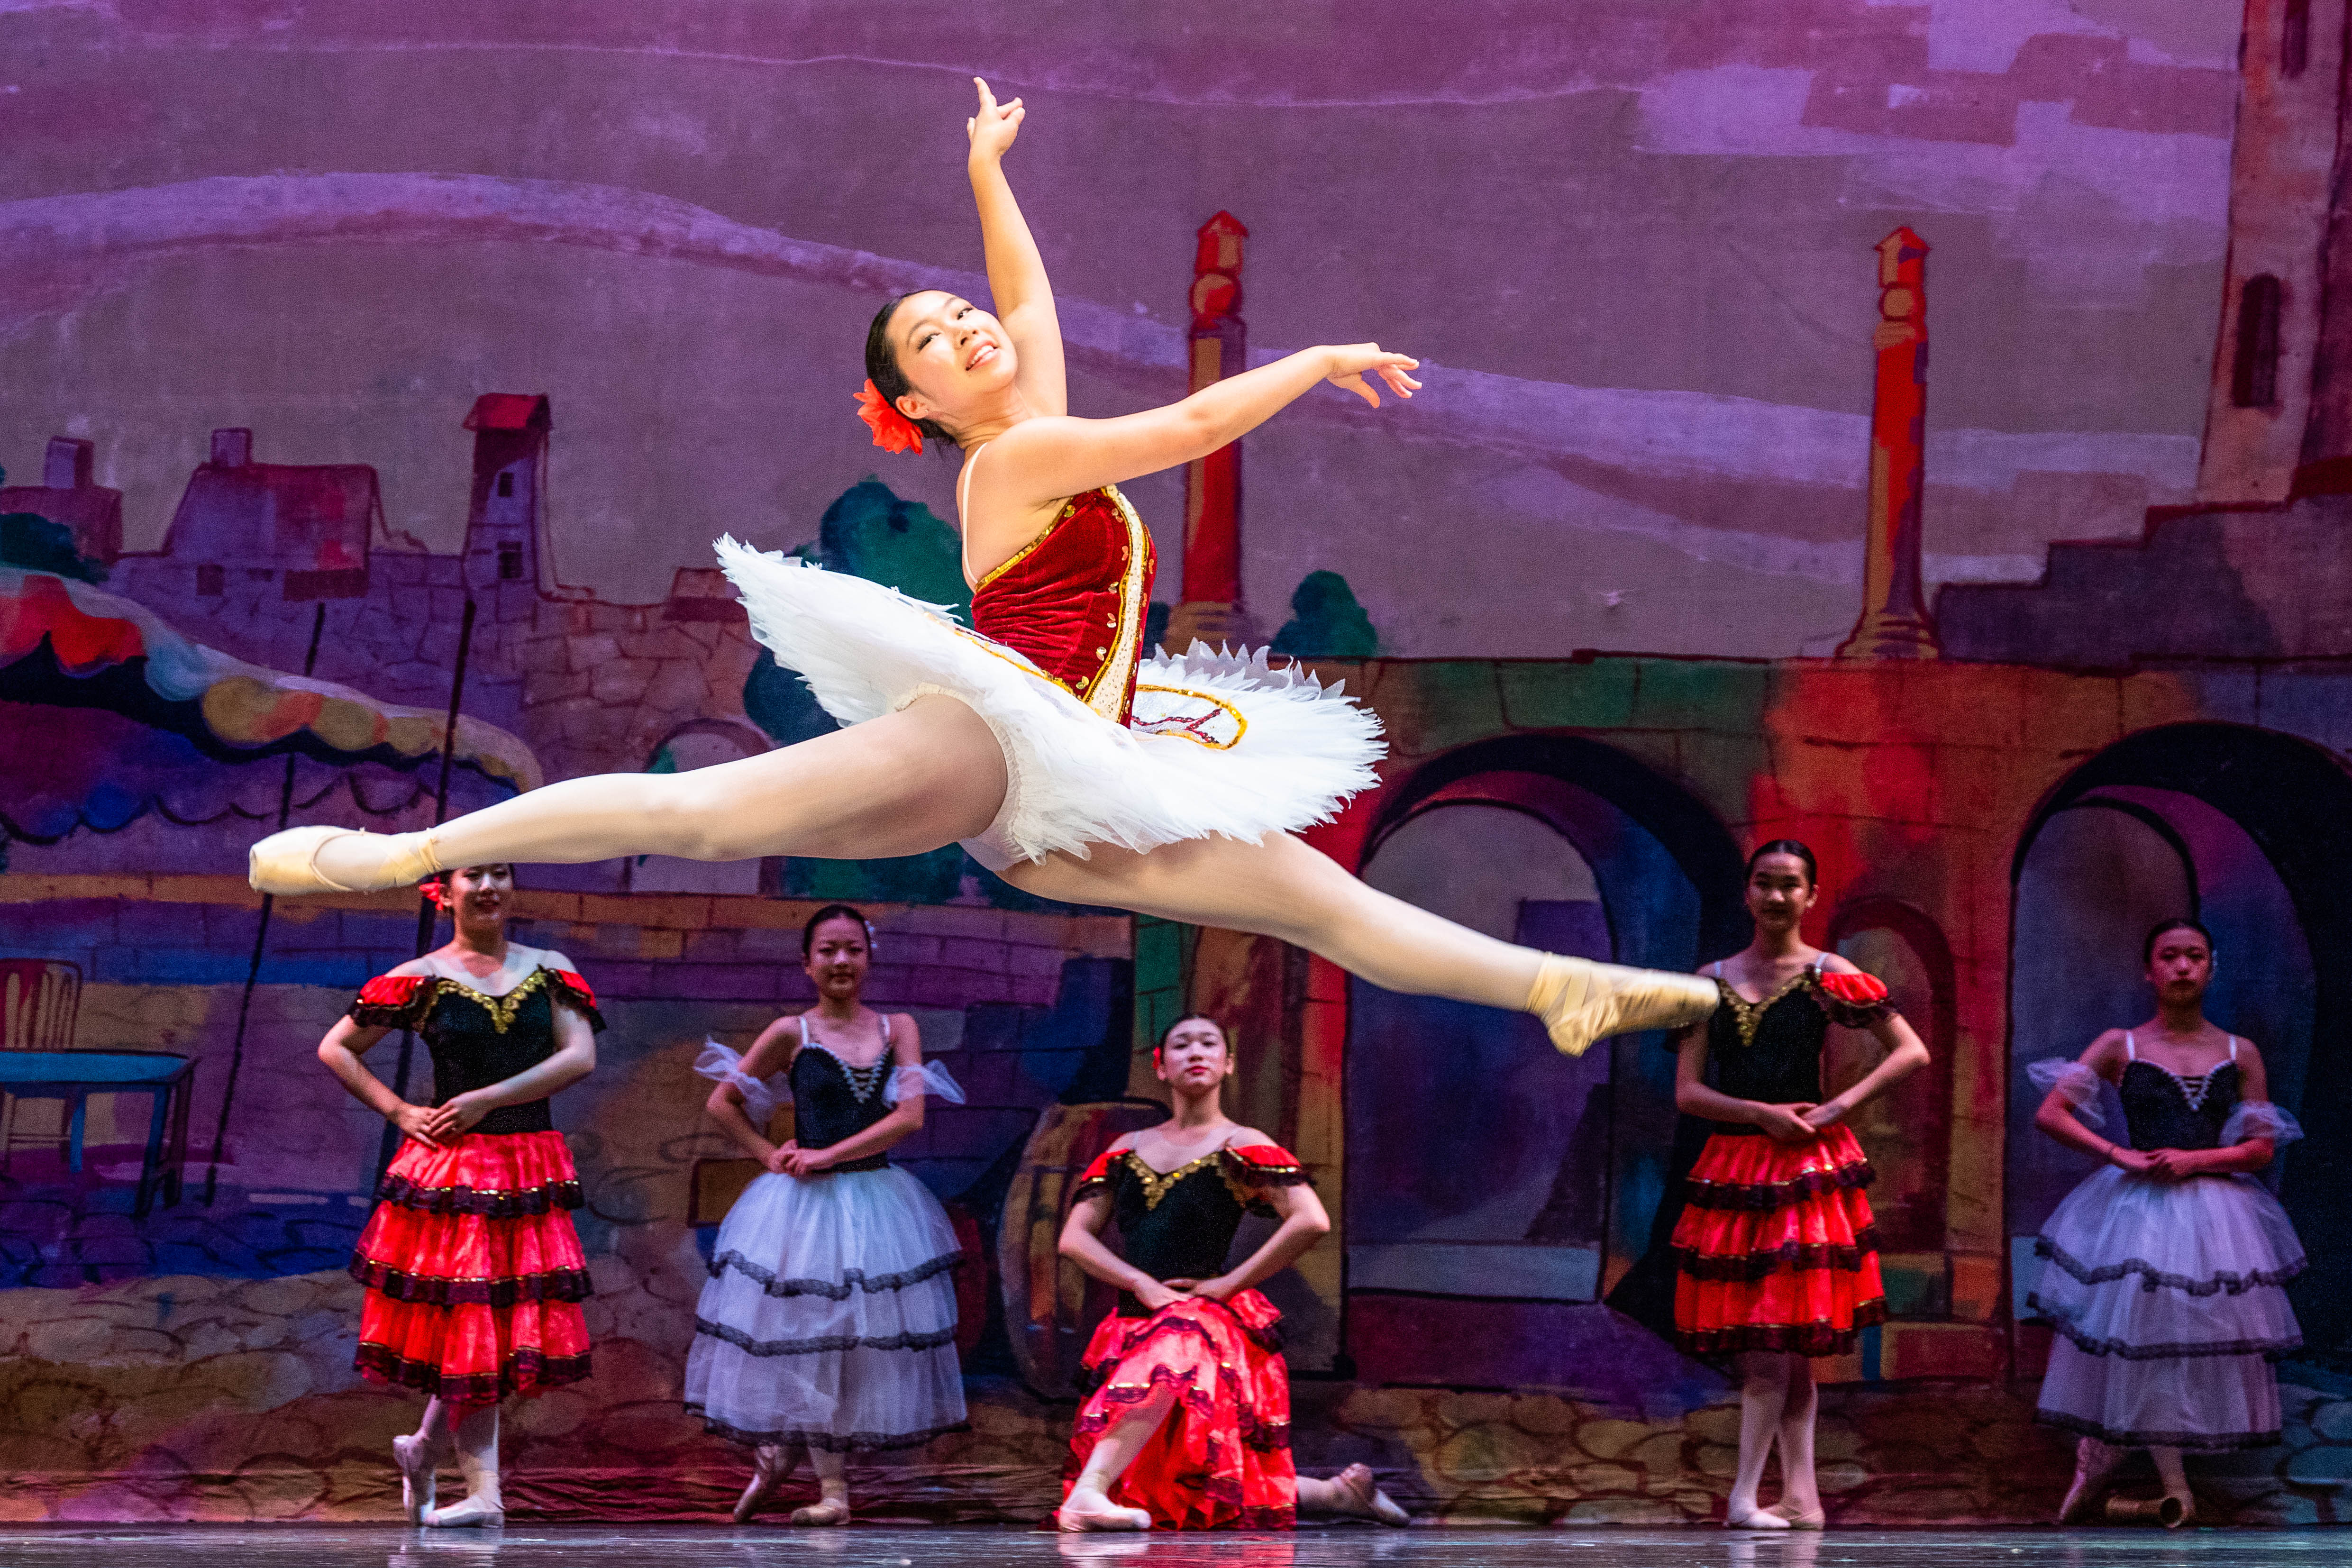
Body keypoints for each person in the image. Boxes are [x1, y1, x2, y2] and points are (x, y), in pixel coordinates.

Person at [245, 78, 1717, 1066]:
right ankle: (400, 858)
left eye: (960, 317)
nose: (971, 331)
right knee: (697, 813)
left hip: (1076, 782)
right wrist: (1316, 358)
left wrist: (984, 174)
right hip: (991, 740)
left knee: (1316, 905)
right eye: (936, 343)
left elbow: (1032, 300)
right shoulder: (1015, 463)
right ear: (920, 404)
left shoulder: (1035, 424)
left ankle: (1558, 988)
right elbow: (1189, 428)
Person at [315, 863, 601, 1528]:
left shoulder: (549, 969)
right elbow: (337, 1048)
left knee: (489, 1327)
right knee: (475, 1322)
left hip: (526, 1163)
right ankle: (482, 1490)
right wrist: (400, 1110)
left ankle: (425, 1451)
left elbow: (579, 1056)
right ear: (444, 893)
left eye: (501, 872)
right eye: (475, 874)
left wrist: (486, 1098)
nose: (489, 885)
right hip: (460, 1172)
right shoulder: (422, 978)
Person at [1053, 1014, 1408, 1532]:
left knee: (1176, 1349)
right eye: (1182, 1044)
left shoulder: (1240, 1143)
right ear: (1161, 1066)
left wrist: (1227, 1284)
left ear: (1228, 1064)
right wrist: (1139, 1283)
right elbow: (1073, 1238)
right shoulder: (1126, 1149)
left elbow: (1311, 1219)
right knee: (1175, 1477)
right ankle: (1340, 1493)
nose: (1196, 1052)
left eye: (1209, 1043)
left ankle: (1088, 1493)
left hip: (1199, 1318)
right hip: (1136, 1317)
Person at [1668, 841, 1930, 1530]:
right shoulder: (1710, 981)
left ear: (1811, 895)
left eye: (1790, 885)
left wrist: (1841, 1105)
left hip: (1804, 1168)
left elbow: (1911, 1050)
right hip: (1737, 1166)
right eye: (1764, 883)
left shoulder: (1827, 973)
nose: (1776, 897)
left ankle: (1758, 1497)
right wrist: (1758, 1113)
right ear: (1746, 892)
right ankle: (1792, 1497)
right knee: (1771, 1345)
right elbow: (1689, 1091)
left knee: (1780, 1342)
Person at [684, 903, 969, 1524]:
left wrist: (828, 1155)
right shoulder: (792, 1032)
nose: (842, 960)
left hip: (876, 1202)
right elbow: (723, 1101)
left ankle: (805, 1467)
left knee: (860, 1342)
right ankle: (827, 1485)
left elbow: (909, 1116)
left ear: (869, 957)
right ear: (807, 963)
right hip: (804, 1209)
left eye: (853, 949)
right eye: (828, 950)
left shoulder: (898, 1027)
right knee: (809, 1334)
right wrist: (768, 1154)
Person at [2026, 917, 2304, 1527]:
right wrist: (2117, 1153)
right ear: (2149, 970)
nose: (2182, 966)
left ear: (2211, 967)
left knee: (2187, 1342)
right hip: (2139, 1211)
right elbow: (2052, 1112)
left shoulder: (2239, 1051)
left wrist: (2196, 1160)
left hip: (2217, 1215)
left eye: (2194, 956)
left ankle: (2132, 1464)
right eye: (2170, 956)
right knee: (2142, 1338)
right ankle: (2129, 1467)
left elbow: (2261, 1147)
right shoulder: (2120, 1044)